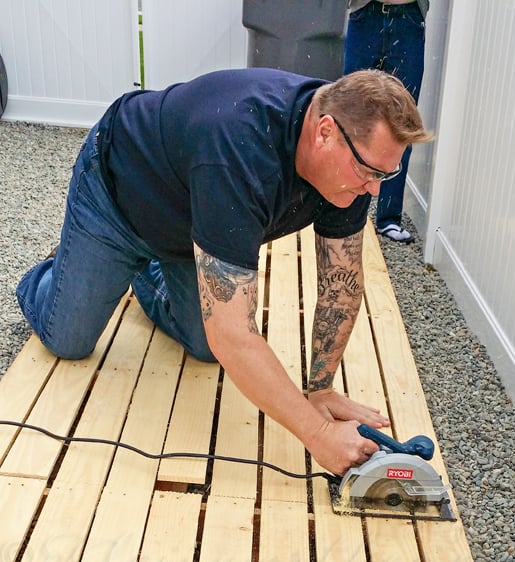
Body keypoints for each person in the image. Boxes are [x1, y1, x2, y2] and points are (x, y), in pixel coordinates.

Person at [16, 68, 430, 476]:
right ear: (324, 132)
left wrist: (319, 389)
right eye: (371, 172)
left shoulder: (354, 165)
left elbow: (340, 283)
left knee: (203, 347)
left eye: (385, 174)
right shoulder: (240, 149)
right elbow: (234, 336)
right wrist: (319, 434)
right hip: (116, 196)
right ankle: (63, 266)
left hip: (191, 229)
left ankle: (137, 271)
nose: (375, 189)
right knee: (68, 339)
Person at [344, 1, 429, 243]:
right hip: (365, 14)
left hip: (408, 19)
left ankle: (389, 217)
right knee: (351, 115)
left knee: (403, 123)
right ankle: (345, 210)